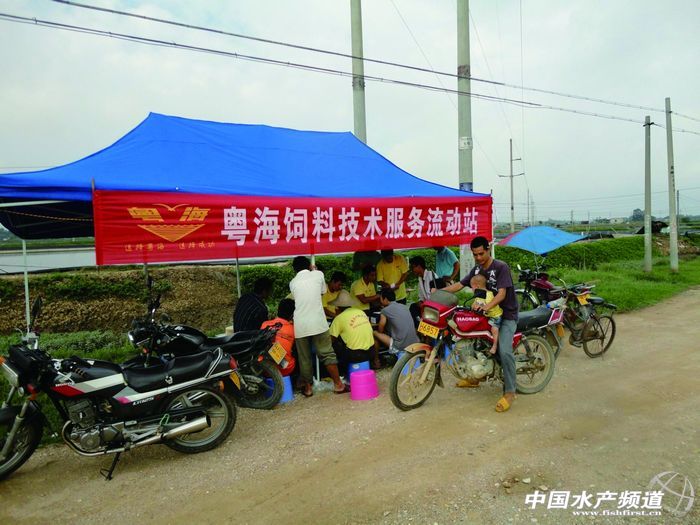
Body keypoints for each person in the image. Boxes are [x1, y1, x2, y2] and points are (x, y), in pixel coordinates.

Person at [440, 236, 519, 413]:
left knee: (504, 350)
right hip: (486, 315)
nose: (478, 258)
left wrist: (486, 307)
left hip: (505, 315)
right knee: (471, 340)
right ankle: (475, 377)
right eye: (475, 255)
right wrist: (439, 292)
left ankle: (510, 392)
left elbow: (501, 294)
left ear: (488, 248)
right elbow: (460, 285)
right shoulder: (477, 269)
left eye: (481, 254)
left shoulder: (501, 267)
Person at [289, 256, 349, 396]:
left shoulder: (293, 282)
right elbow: (323, 291)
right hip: (318, 321)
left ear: (295, 270)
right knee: (327, 353)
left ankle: (308, 388)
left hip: (301, 324)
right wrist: (314, 271)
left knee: (304, 357)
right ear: (309, 266)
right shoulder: (318, 274)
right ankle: (338, 384)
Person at [329, 290, 381, 373]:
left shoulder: (338, 318)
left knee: (335, 345)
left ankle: (341, 371)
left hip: (355, 355)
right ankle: (374, 362)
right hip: (371, 351)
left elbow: (331, 340)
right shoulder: (361, 312)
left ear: (337, 307)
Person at [373, 288, 419, 356]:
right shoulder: (404, 306)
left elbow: (380, 329)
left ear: (385, 299)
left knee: (374, 333)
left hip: (400, 346)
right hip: (414, 342)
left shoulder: (385, 310)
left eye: (380, 299)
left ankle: (376, 360)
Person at [260, 298, 296, 376]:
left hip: (265, 369)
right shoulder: (293, 329)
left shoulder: (265, 324)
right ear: (292, 315)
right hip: (285, 369)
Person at [469, 274, 502, 355]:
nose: (471, 289)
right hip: (487, 315)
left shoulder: (488, 295)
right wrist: (473, 306)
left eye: (472, 287)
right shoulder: (479, 295)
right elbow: (475, 303)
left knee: (494, 329)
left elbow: (488, 305)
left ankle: (495, 345)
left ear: (477, 286)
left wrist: (480, 307)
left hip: (495, 316)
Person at [409, 255, 437, 326]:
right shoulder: (420, 279)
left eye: (413, 267)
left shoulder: (431, 275)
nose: (412, 270)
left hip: (435, 306)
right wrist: (420, 302)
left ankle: (424, 327)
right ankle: (421, 327)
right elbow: (421, 297)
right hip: (427, 306)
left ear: (419, 266)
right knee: (413, 307)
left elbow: (437, 295)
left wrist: (425, 305)